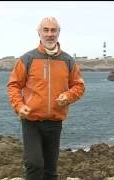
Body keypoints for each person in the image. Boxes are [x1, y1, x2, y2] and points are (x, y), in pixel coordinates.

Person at [7, 16, 85, 180]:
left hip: (55, 121)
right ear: (39, 33)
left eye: (53, 30)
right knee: (34, 163)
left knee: (50, 170)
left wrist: (68, 96)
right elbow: (13, 85)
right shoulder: (27, 59)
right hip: (31, 121)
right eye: (46, 30)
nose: (50, 34)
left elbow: (79, 86)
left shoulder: (68, 60)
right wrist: (19, 106)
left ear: (58, 32)